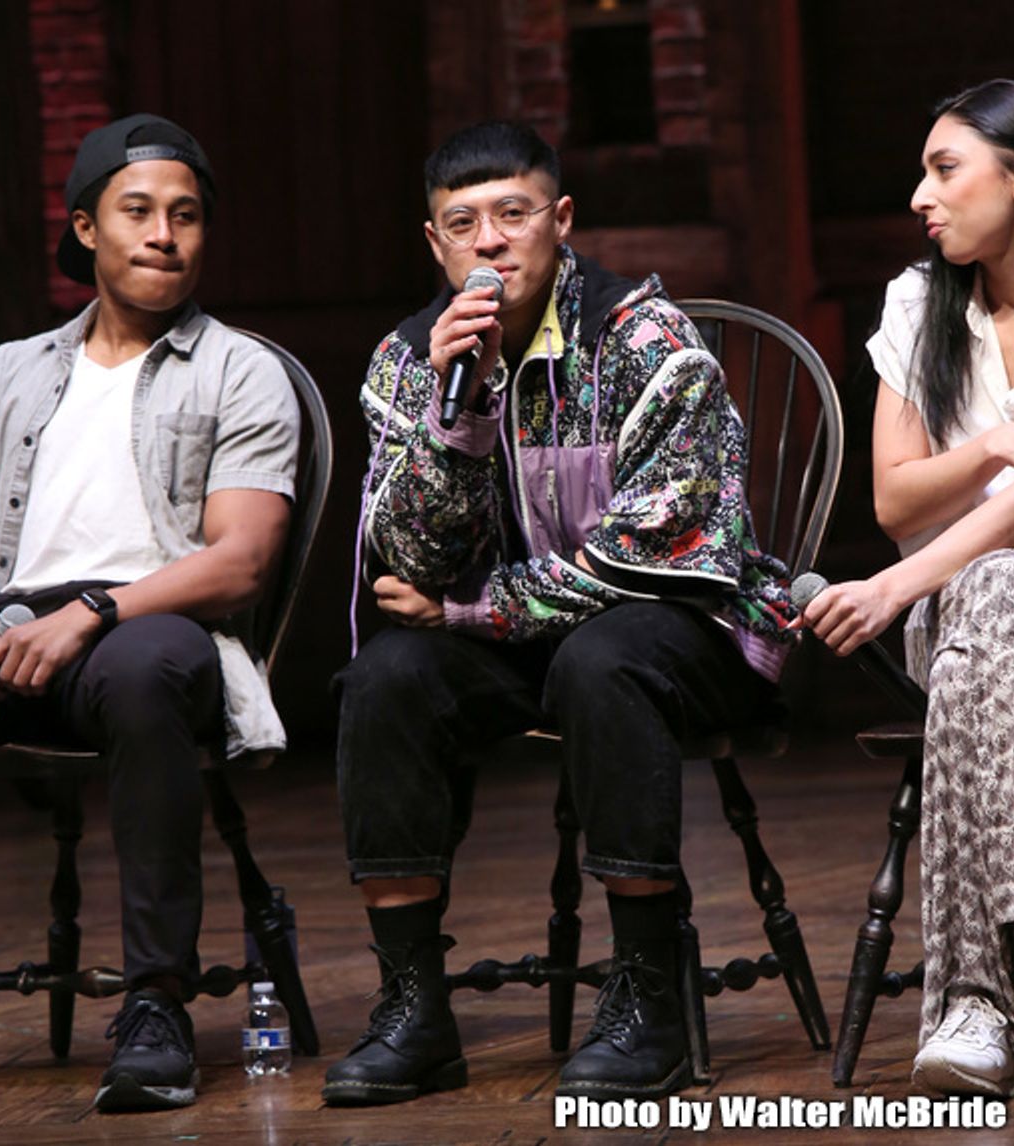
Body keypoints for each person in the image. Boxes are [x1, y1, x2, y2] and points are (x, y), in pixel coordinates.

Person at [328, 121, 795, 1106]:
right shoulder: (410, 364)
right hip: (517, 638)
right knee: (386, 678)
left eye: (513, 214)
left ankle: (646, 992)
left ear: (561, 220)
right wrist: (456, 424)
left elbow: (660, 551)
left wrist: (480, 607)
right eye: (464, 224)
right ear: (435, 243)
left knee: (603, 658)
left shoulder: (645, 341)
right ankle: (413, 1004)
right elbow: (406, 564)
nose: (490, 243)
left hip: (687, 628)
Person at [0, 114, 300, 1113]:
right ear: (86, 227)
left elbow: (240, 562)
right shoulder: (12, 372)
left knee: (147, 672)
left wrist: (93, 613)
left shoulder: (239, 370)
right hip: (11, 628)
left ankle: (155, 1006)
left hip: (147, 629)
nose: (164, 235)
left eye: (186, 216)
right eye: (137, 211)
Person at [802, 79, 1014, 1097]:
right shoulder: (919, 303)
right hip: (962, 601)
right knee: (988, 592)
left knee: (971, 656)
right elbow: (898, 497)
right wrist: (999, 435)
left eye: (945, 168)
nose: (921, 194)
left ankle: (973, 1007)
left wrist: (894, 588)